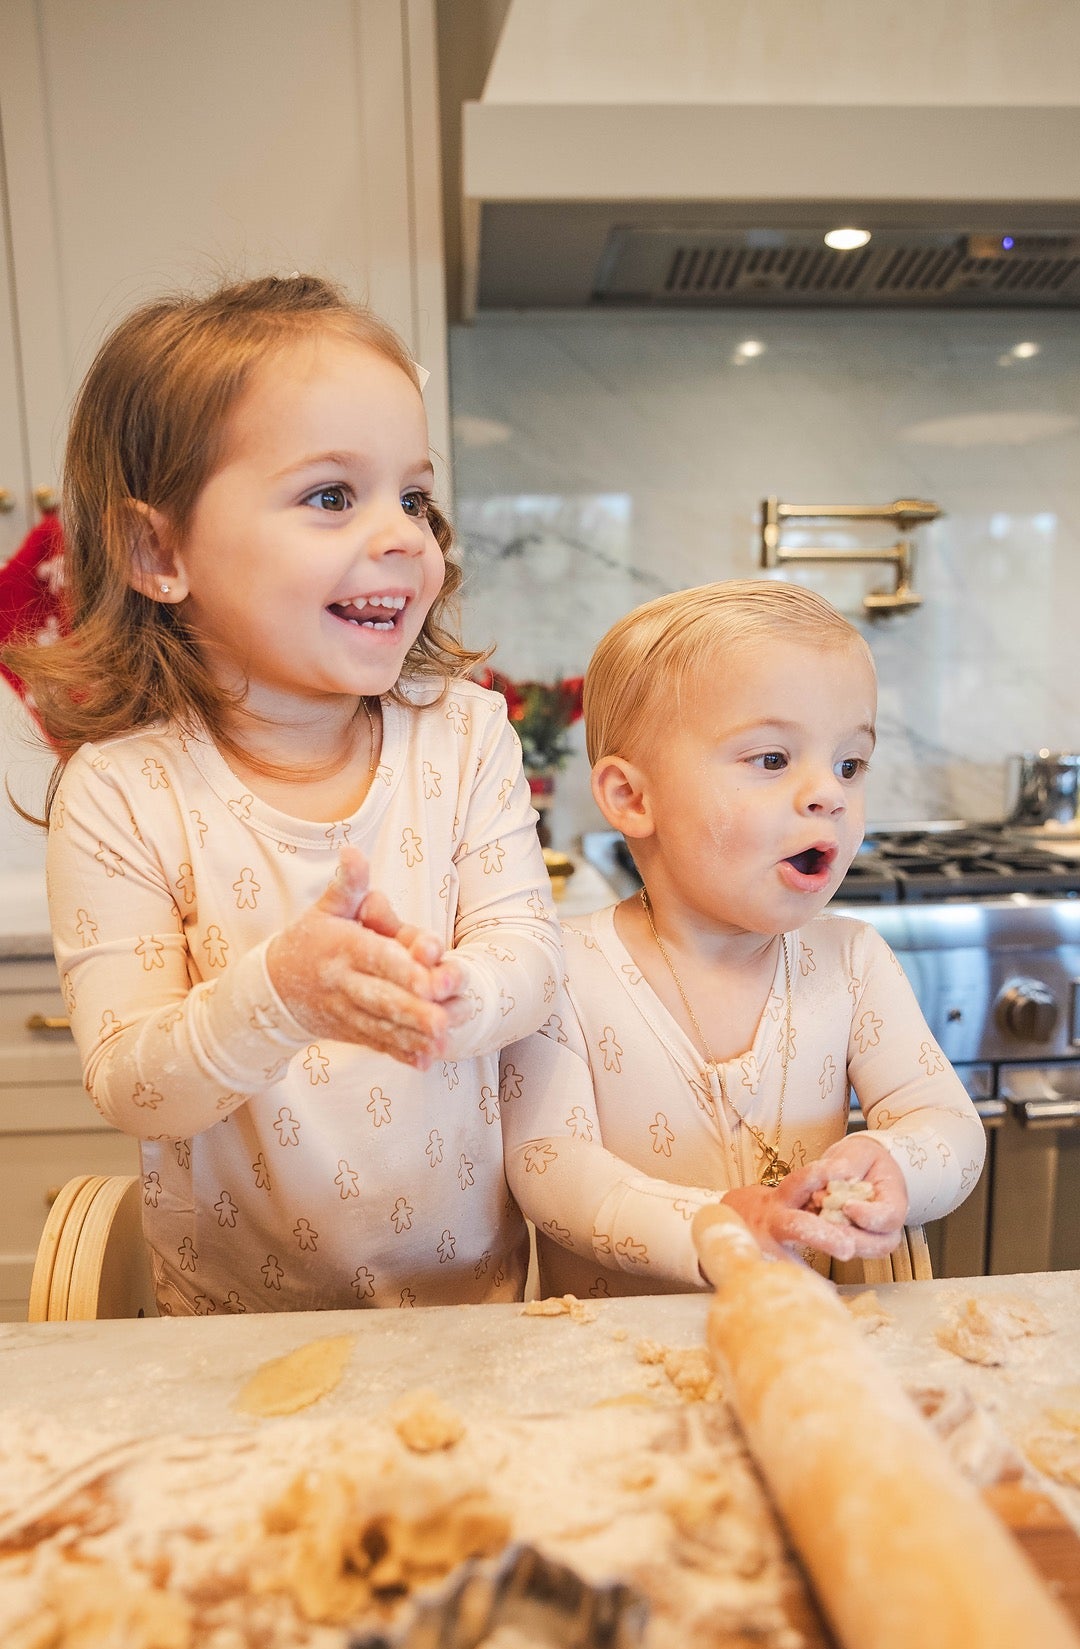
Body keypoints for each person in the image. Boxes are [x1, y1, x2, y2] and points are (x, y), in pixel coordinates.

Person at [8, 275, 562, 1315]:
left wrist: (460, 995)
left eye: (414, 498)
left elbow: (530, 959)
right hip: (223, 1342)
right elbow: (134, 1082)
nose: (405, 536)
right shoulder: (123, 794)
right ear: (157, 552)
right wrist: (282, 995)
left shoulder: (462, 734)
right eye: (329, 496)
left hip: (475, 1320)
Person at [502, 579, 985, 1296]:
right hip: (625, 1360)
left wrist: (896, 1161)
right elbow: (552, 1169)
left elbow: (947, 1124)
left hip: (823, 1345)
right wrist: (712, 1226)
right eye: (773, 759)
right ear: (633, 798)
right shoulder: (562, 970)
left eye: (850, 764)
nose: (829, 793)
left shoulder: (852, 962)